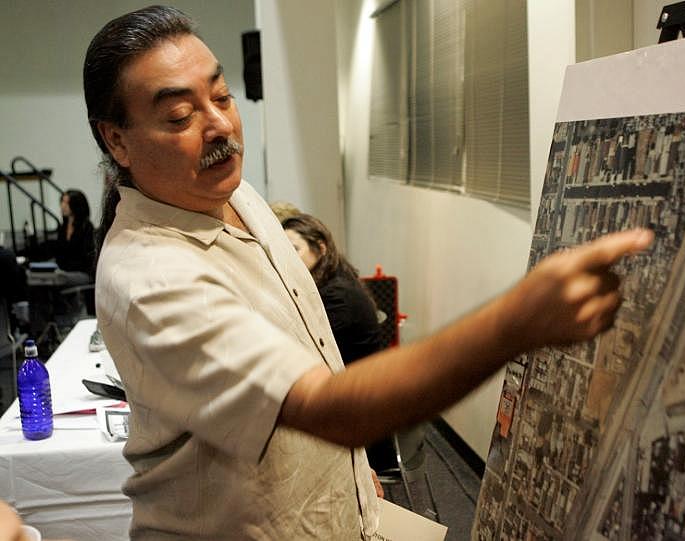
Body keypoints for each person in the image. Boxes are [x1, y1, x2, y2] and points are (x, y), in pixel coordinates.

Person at [85, 6, 652, 540]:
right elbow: (331, 408)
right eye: (180, 115)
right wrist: (516, 323)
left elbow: (307, 351)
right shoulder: (152, 279)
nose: (218, 126)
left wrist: (352, 479)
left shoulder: (229, 191)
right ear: (118, 140)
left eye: (222, 96)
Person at [282, 213, 382, 365]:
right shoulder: (333, 279)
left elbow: (309, 349)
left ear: (321, 248)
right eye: (283, 250)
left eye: (294, 249)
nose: (287, 257)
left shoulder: (337, 295)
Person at [55, 190, 95, 278]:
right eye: (62, 201)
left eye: (67, 203)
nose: (63, 206)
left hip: (82, 273)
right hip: (64, 271)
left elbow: (86, 259)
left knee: (58, 277)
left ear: (76, 205)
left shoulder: (87, 227)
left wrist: (65, 268)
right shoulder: (63, 227)